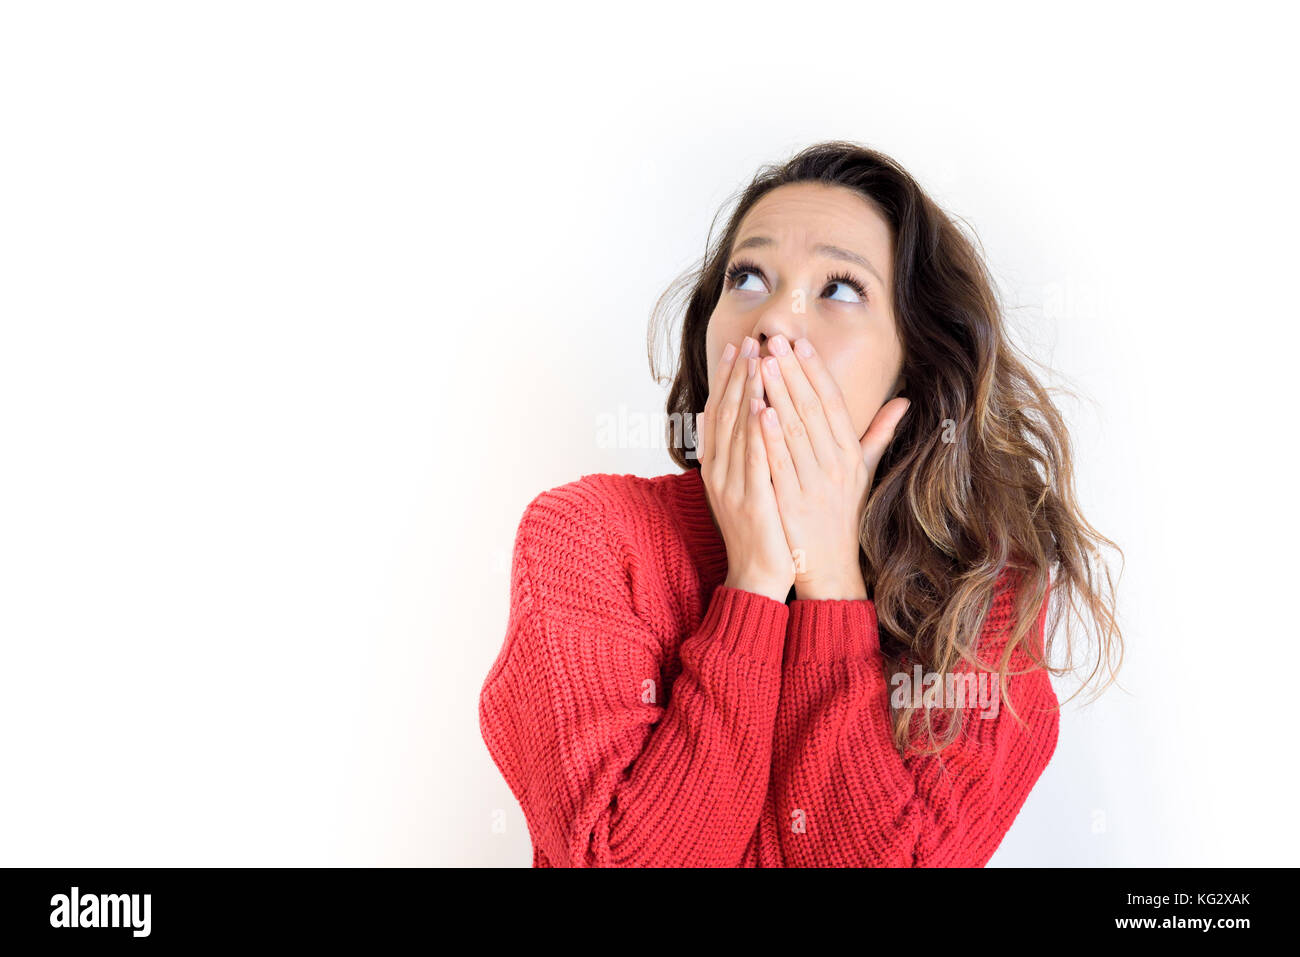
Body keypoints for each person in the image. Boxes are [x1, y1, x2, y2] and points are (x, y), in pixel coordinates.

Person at [478, 140, 1123, 867]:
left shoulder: (986, 596)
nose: (773, 322)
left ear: (912, 363)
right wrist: (754, 579)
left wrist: (829, 583)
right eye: (747, 277)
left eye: (839, 288)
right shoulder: (586, 538)